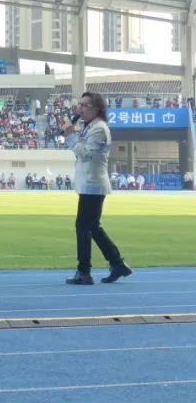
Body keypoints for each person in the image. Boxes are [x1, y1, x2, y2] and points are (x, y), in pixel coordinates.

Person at [62, 92, 132, 285]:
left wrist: (70, 137)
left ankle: (84, 271)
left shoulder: (99, 129)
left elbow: (84, 154)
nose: (80, 109)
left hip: (93, 184)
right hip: (89, 184)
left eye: (85, 105)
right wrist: (74, 134)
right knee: (92, 227)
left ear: (97, 108)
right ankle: (117, 263)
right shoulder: (90, 127)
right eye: (80, 105)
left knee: (83, 227)